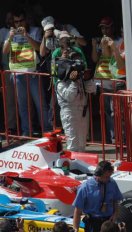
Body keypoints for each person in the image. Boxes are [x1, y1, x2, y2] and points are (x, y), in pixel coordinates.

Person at [2, 8, 51, 136]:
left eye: (21, 21)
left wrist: (26, 36)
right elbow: (5, 51)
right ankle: (26, 132)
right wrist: (11, 37)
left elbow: (38, 48)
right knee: (23, 106)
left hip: (33, 73)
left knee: (40, 104)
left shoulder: (35, 31)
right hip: (17, 74)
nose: (19, 24)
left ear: (26, 20)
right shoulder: (10, 33)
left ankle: (47, 130)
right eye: (16, 21)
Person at [54, 32, 95, 152]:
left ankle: (81, 166)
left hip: (82, 112)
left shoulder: (80, 79)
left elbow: (92, 90)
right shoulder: (60, 83)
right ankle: (73, 168)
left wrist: (87, 79)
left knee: (82, 144)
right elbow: (70, 96)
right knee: (73, 145)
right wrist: (73, 81)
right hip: (69, 113)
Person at [91, 16, 125, 144]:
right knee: (105, 111)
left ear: (112, 28)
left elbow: (109, 55)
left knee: (115, 112)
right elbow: (95, 59)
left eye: (106, 27)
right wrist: (95, 46)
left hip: (115, 79)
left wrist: (106, 46)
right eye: (102, 28)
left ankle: (118, 140)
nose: (104, 30)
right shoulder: (102, 41)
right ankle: (112, 139)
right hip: (102, 79)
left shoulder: (118, 41)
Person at [72, 161, 123, 232]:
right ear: (98, 175)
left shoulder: (112, 183)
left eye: (109, 176)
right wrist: (75, 229)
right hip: (93, 224)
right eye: (106, 177)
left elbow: (115, 201)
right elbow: (77, 211)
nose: (108, 179)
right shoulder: (85, 187)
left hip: (108, 223)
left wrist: (115, 214)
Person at [0, 11, 17, 134]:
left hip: (22, 68)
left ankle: (29, 125)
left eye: (12, 18)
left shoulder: (22, 31)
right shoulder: (2, 32)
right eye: (8, 18)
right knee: (9, 99)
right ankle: (11, 126)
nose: (10, 20)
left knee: (24, 100)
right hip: (7, 69)